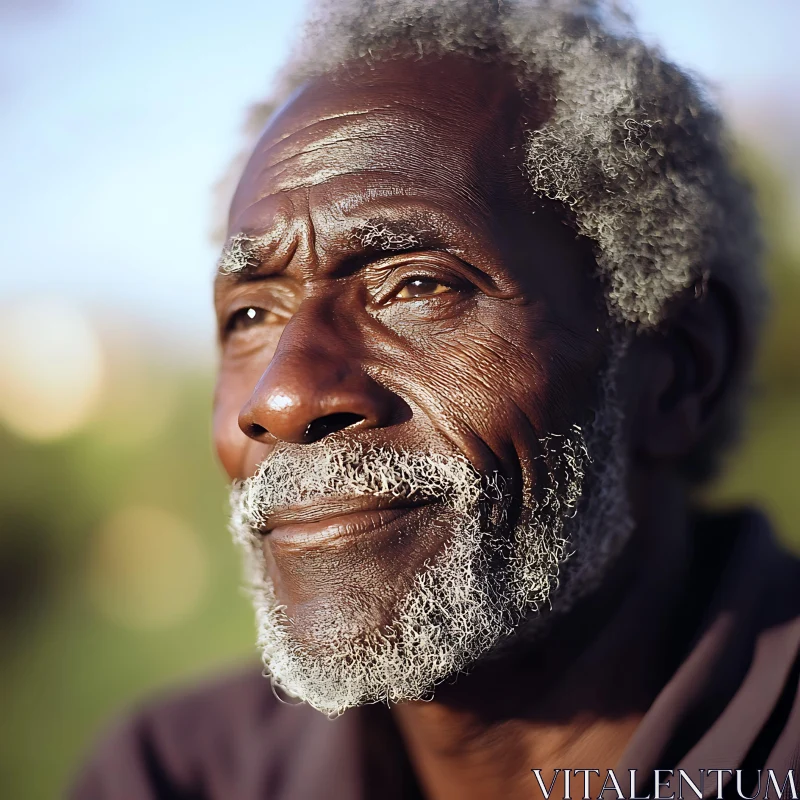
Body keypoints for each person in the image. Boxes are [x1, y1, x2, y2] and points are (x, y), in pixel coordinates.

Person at [71, 1, 800, 798]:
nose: (281, 399)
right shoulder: (172, 775)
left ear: (679, 367)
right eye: (252, 313)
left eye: (418, 285)